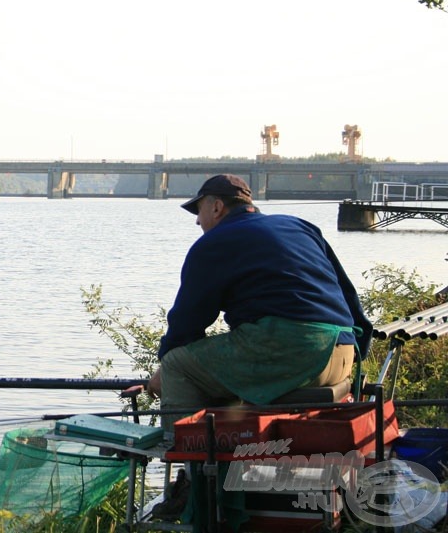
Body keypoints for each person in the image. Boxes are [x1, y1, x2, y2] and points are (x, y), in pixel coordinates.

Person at [145, 174, 372, 435]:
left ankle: (189, 461)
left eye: (199, 211)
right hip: (342, 353)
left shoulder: (214, 243)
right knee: (220, 363)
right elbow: (348, 296)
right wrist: (359, 351)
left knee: (177, 364)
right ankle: (231, 454)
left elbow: (187, 321)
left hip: (297, 352)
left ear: (217, 207)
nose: (197, 220)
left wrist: (164, 368)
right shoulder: (301, 227)